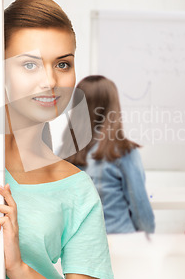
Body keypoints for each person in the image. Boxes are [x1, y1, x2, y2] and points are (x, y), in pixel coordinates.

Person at [0, 0, 113, 279]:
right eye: (29, 65)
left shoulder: (76, 188)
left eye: (62, 64)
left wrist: (19, 268)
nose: (50, 81)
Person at [64, 75, 155, 234]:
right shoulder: (124, 152)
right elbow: (140, 208)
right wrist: (148, 235)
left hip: (80, 245)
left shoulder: (64, 153)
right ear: (113, 108)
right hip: (119, 241)